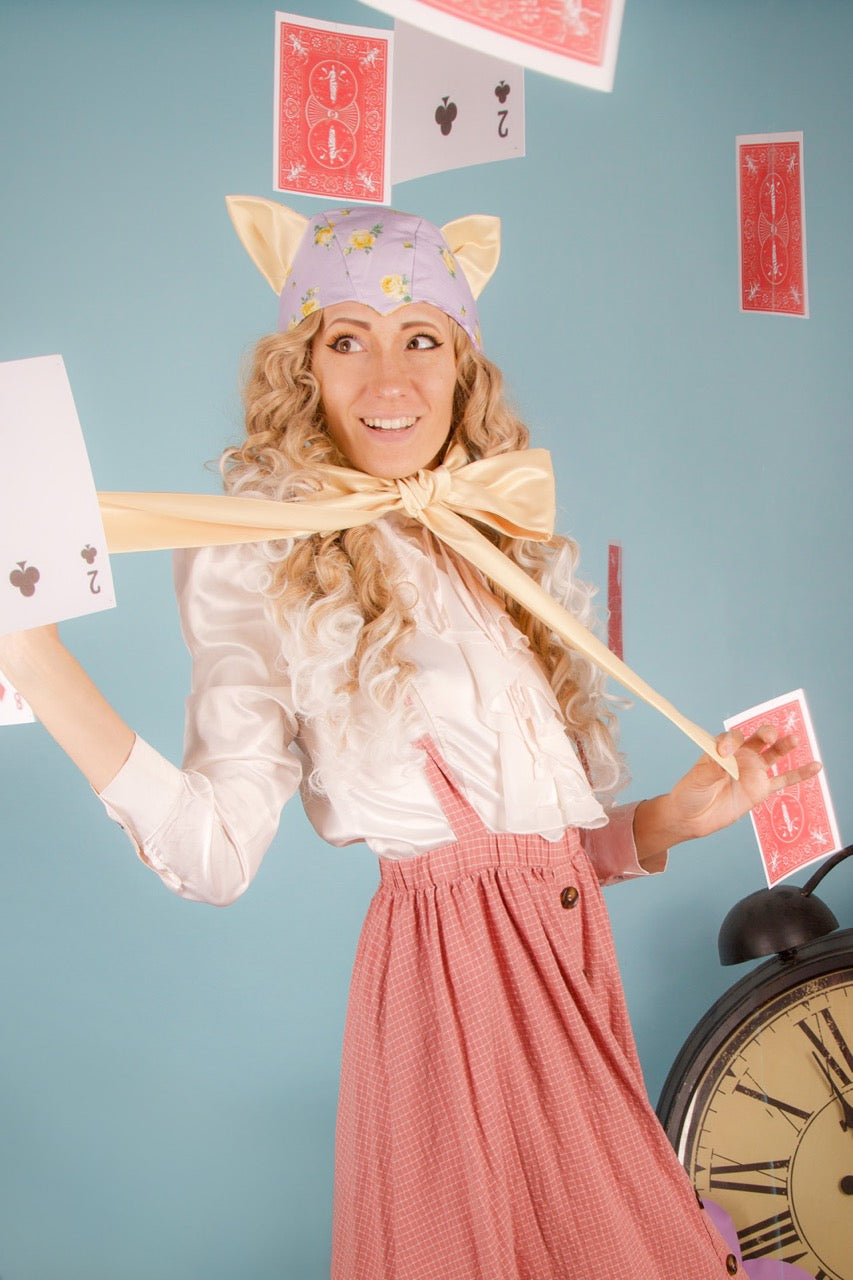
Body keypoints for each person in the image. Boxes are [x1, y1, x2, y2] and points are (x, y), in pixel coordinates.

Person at [0, 200, 819, 1280]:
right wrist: (32, 653)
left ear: (462, 364)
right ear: (306, 370)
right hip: (459, 1002)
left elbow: (531, 854)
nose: (388, 379)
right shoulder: (257, 559)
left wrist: (665, 819)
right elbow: (213, 853)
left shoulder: (483, 542)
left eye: (418, 339)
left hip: (571, 989)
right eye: (348, 340)